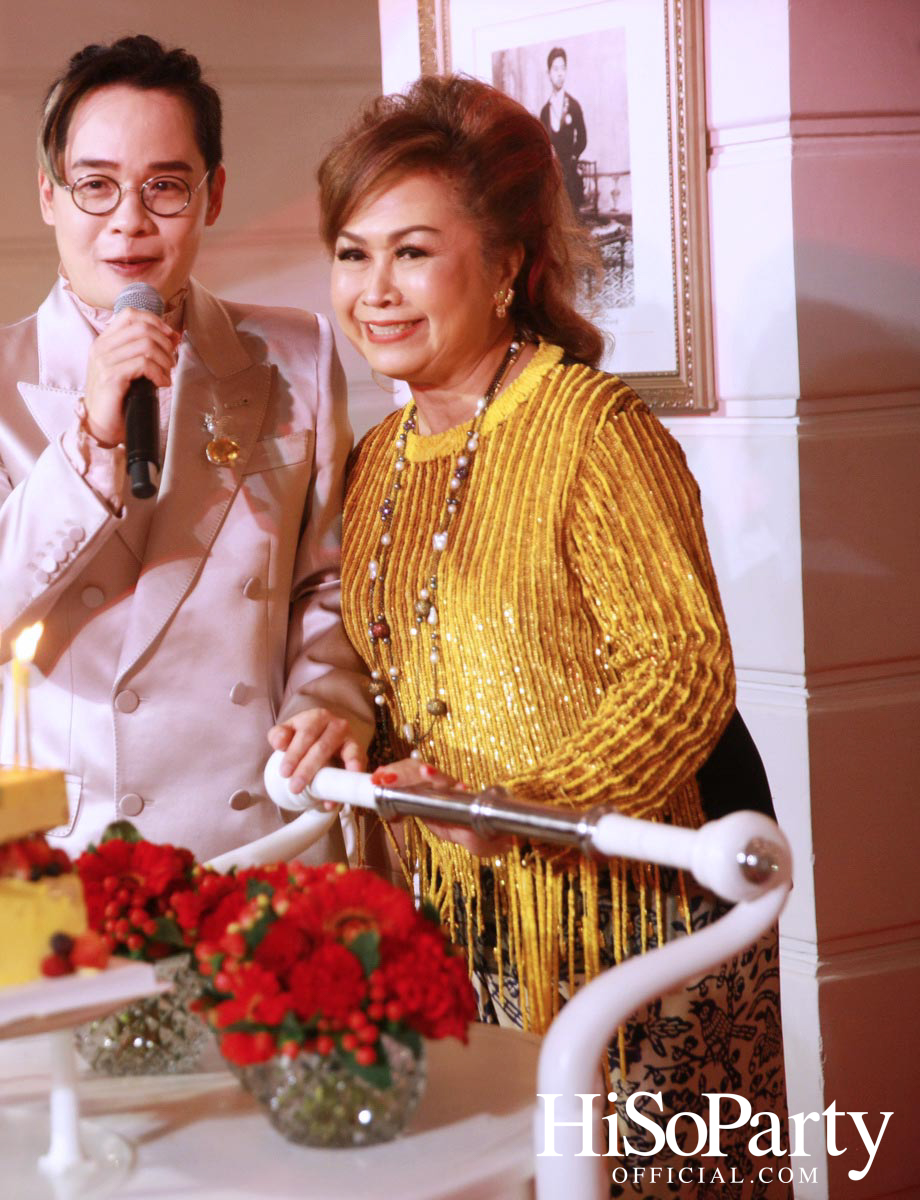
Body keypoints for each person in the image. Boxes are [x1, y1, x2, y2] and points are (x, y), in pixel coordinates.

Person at [312, 75, 786, 1194]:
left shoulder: (593, 430)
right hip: (462, 934)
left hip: (636, 933)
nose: (376, 291)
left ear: (509, 261)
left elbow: (682, 675)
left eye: (413, 253)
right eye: (352, 252)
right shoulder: (378, 461)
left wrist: (525, 809)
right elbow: (391, 672)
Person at [0, 35, 369, 864]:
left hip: (263, 827)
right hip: (78, 848)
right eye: (95, 186)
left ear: (213, 194)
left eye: (164, 186)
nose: (129, 220)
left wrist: (326, 697)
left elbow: (325, 575)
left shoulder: (297, 352)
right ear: (48, 195)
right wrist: (90, 438)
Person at [539, 46, 588, 212]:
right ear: (549, 74)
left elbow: (582, 138)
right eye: (555, 69)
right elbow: (542, 143)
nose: (560, 74)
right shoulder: (545, 111)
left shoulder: (574, 106)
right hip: (552, 178)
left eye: (563, 68)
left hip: (570, 175)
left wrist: (573, 159)